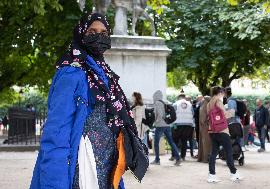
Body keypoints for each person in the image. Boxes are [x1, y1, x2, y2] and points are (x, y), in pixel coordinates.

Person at [30, 13, 141, 189]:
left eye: (104, 33)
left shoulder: (105, 74)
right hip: (81, 163)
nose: (99, 36)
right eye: (92, 31)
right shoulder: (70, 72)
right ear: (81, 34)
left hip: (107, 164)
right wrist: (54, 181)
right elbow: (56, 131)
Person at [207, 86, 241, 183]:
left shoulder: (209, 103)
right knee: (229, 152)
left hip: (213, 131)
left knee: (213, 153)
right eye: (222, 92)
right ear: (220, 92)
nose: (223, 93)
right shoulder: (218, 101)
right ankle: (233, 174)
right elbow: (225, 115)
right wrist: (232, 112)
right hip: (222, 131)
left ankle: (211, 175)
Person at [151, 90, 181, 166]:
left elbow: (159, 114)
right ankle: (178, 158)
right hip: (167, 125)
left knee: (156, 143)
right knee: (171, 142)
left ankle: (157, 160)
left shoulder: (157, 103)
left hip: (160, 125)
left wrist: (155, 122)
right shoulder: (164, 102)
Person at [171, 92, 195, 161]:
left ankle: (174, 155)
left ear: (178, 97)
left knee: (175, 141)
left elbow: (172, 114)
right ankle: (183, 156)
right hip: (188, 125)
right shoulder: (189, 104)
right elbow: (192, 114)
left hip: (177, 124)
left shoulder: (175, 104)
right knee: (184, 141)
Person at [197, 96, 211, 163]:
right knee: (207, 143)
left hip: (204, 127)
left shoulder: (203, 106)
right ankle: (206, 158)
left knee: (204, 143)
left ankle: (204, 158)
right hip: (207, 127)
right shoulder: (208, 106)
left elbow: (202, 119)